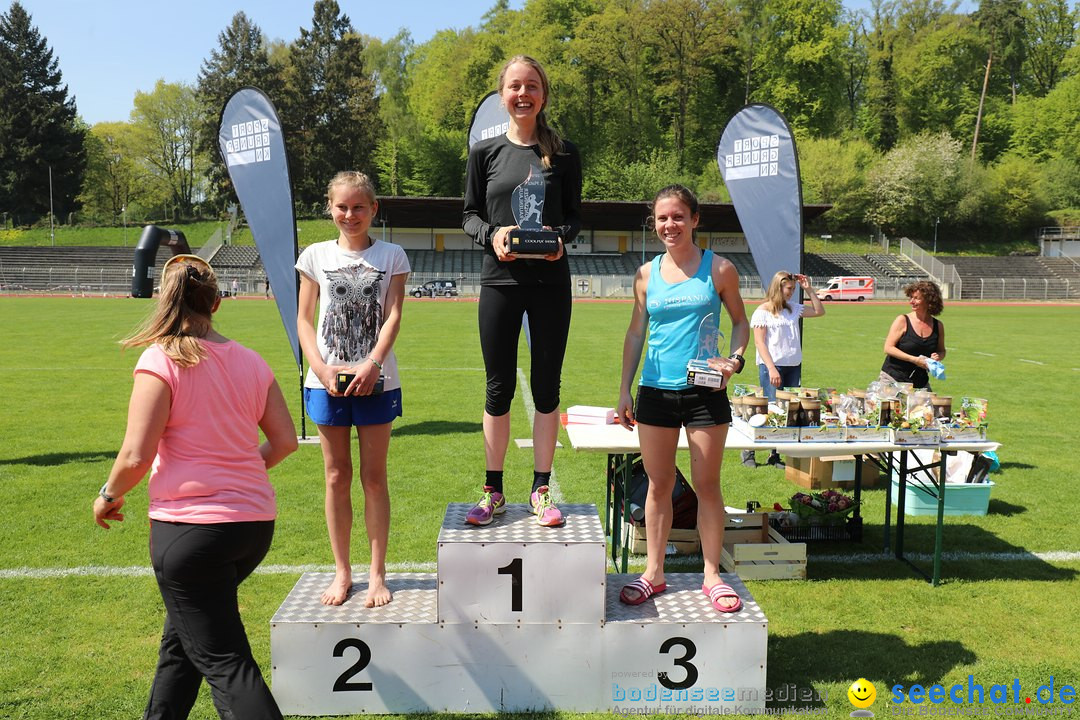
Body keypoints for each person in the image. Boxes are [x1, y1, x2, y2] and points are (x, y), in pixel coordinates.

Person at [93, 253, 298, 720]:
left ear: (165, 300)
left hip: (190, 533)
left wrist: (108, 496)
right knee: (182, 642)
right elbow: (285, 442)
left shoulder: (159, 359)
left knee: (226, 663)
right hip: (252, 528)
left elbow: (135, 457)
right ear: (216, 304)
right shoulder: (250, 361)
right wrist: (240, 473)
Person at [616, 185, 750, 614]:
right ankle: (654, 572)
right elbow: (637, 333)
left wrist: (734, 360)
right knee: (659, 485)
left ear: (695, 219)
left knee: (707, 486)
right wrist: (624, 389)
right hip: (655, 391)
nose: (668, 225)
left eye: (677, 217)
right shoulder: (644, 275)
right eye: (661, 219)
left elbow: (741, 324)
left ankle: (713, 575)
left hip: (704, 391)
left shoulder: (720, 269)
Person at [462, 54, 582, 528]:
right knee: (498, 387)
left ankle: (541, 488)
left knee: (547, 386)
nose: (522, 94)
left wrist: (560, 241)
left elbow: (574, 216)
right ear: (502, 94)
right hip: (500, 281)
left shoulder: (564, 153)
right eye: (514, 86)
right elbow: (469, 214)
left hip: (550, 282)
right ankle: (493, 490)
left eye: (531, 85)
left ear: (543, 94)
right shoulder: (484, 153)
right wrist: (490, 235)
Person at [296, 171, 410, 607]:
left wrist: (373, 362)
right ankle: (342, 572)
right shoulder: (314, 255)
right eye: (342, 206)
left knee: (374, 478)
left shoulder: (392, 255)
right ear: (330, 208)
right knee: (335, 475)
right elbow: (304, 320)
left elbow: (394, 316)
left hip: (377, 381)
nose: (350, 214)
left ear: (373, 209)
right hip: (326, 382)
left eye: (359, 207)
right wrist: (321, 369)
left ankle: (377, 574)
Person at [742, 271, 826, 468]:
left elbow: (819, 311)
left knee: (786, 411)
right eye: (789, 289)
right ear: (778, 287)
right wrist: (771, 368)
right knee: (768, 409)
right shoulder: (762, 312)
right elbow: (759, 343)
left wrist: (809, 289)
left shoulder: (793, 309)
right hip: (773, 366)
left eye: (794, 289)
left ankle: (775, 454)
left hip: (792, 366)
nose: (791, 293)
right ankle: (748, 452)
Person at [881, 280, 946, 390]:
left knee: (927, 407)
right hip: (893, 379)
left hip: (920, 382)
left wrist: (938, 356)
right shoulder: (902, 320)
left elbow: (942, 351)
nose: (911, 301)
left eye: (916, 298)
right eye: (911, 297)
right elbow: (888, 348)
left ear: (929, 300)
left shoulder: (938, 326)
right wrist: (914, 360)